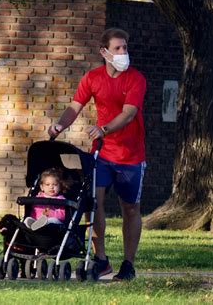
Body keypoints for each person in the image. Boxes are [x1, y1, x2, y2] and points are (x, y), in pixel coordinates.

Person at [48, 28, 146, 281]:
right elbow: (75, 106)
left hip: (131, 156)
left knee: (131, 209)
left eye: (125, 47)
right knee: (93, 204)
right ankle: (101, 259)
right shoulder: (93, 78)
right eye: (118, 48)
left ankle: (128, 264)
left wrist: (103, 129)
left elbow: (129, 114)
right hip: (102, 154)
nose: (123, 53)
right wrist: (60, 125)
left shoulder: (136, 79)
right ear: (104, 52)